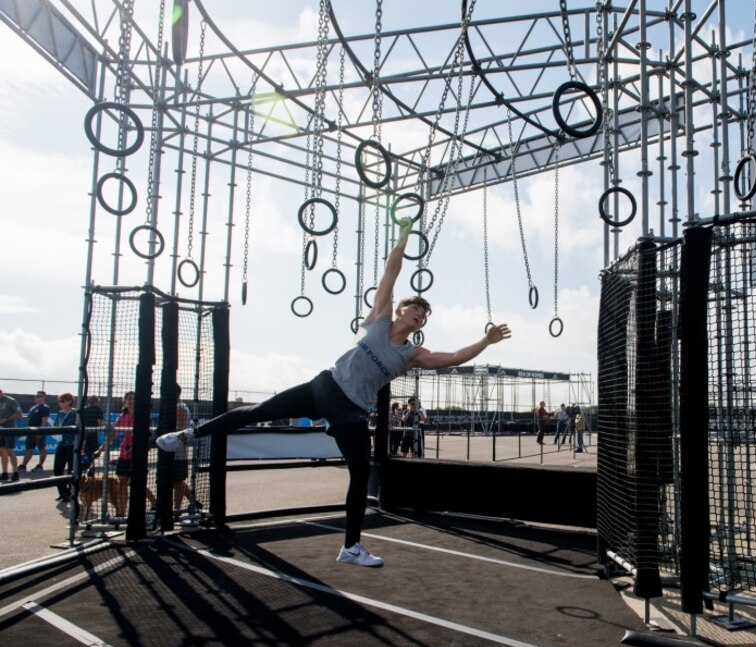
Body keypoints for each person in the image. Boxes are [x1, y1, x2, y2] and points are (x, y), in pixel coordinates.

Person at [155, 217, 512, 567]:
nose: (418, 313)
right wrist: (402, 238)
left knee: (360, 472)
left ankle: (351, 547)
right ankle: (186, 435)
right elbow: (391, 274)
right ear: (401, 310)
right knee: (256, 412)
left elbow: (453, 357)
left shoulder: (412, 355)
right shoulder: (379, 316)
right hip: (324, 386)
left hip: (352, 410)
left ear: (421, 325)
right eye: (414, 307)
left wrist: (486, 340)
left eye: (423, 314)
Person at [52, 392, 78, 500]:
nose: (60, 403)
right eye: (59, 401)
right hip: (61, 444)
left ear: (69, 401)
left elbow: (80, 427)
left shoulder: (75, 413)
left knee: (71, 469)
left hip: (72, 444)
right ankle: (63, 492)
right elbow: (55, 424)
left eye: (62, 401)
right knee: (57, 469)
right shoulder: (60, 413)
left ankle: (72, 492)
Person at [19, 391, 50, 473]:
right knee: (28, 449)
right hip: (30, 432)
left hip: (39, 432)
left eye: (40, 396)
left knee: (42, 448)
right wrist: (20, 416)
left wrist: (40, 432)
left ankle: (40, 465)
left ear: (44, 397)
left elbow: (44, 421)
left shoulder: (45, 407)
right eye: (36, 396)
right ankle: (23, 466)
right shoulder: (33, 408)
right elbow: (29, 418)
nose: (37, 398)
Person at [0, 387, 22, 482]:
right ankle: (4, 473)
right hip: (0, 430)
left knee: (9, 450)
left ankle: (15, 473)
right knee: (2, 451)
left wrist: (7, 418)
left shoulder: (11, 401)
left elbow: (19, 413)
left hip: (9, 429)